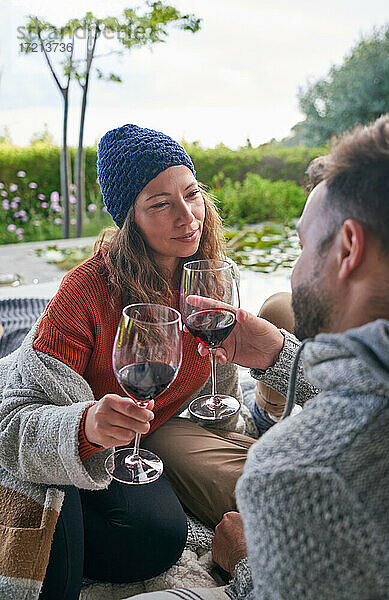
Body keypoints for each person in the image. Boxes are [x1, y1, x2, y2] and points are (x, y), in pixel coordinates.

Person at [133, 112, 389, 599]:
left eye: (300, 248)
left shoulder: (291, 475)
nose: (295, 271)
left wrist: (244, 563)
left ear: (349, 249)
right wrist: (281, 354)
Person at [0, 124, 255, 600]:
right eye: (160, 204)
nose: (188, 216)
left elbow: (220, 375)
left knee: (171, 530)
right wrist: (84, 426)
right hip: (83, 431)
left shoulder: (212, 274)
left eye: (192, 194)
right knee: (150, 538)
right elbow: (12, 420)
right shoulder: (84, 293)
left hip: (153, 429)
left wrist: (230, 418)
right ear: (129, 220)